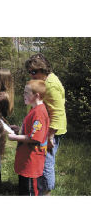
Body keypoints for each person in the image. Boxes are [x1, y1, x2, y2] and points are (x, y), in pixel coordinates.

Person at [25, 53, 67, 195]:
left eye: (34, 72)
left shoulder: (51, 84)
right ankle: (41, 189)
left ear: (43, 69)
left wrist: (50, 135)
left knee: (47, 162)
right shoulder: (46, 81)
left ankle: (46, 192)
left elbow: (58, 111)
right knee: (42, 159)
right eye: (30, 72)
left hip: (52, 131)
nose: (32, 75)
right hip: (46, 128)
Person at [8, 80, 50, 196]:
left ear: (36, 95)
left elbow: (35, 138)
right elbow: (31, 130)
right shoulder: (34, 109)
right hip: (26, 161)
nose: (23, 95)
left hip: (32, 164)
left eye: (27, 93)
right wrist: (18, 130)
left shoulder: (39, 113)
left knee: (31, 192)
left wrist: (15, 138)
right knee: (23, 190)